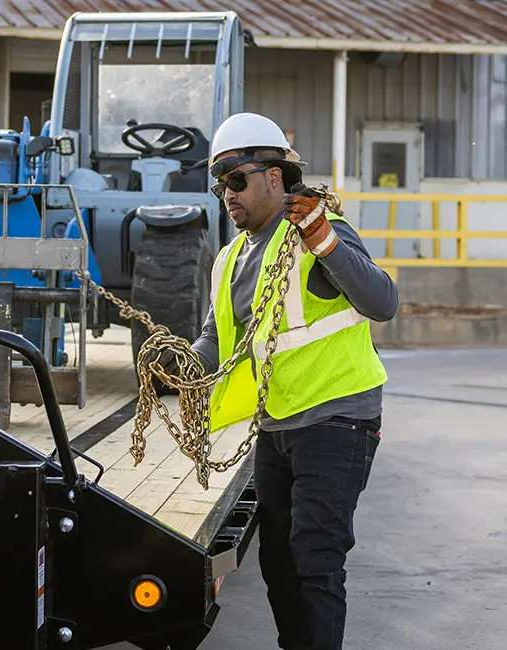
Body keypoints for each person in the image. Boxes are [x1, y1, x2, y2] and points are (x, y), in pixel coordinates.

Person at [164, 113, 398, 649]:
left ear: (275, 177)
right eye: (219, 183)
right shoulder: (228, 260)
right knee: (277, 563)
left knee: (315, 557)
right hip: (276, 428)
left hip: (338, 421)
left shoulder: (321, 234)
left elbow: (383, 302)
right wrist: (180, 368)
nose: (227, 193)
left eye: (236, 179)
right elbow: (215, 341)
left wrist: (324, 241)